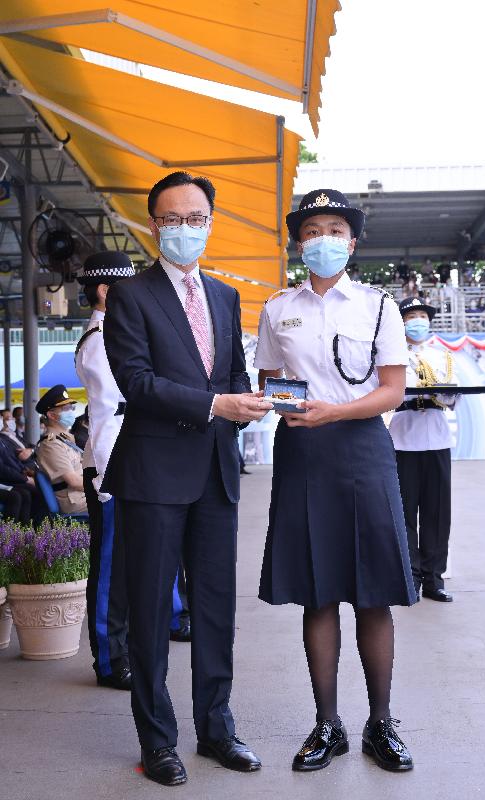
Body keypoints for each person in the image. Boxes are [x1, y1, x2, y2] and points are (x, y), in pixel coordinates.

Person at [102, 171, 271, 786]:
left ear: (210, 221)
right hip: (152, 475)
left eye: (195, 218)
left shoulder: (226, 296)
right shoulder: (131, 296)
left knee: (215, 610)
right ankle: (157, 741)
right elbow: (138, 383)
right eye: (172, 219)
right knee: (149, 614)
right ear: (153, 225)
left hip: (215, 474)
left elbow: (229, 374)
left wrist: (246, 401)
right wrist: (214, 407)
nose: (184, 229)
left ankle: (217, 730)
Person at [255, 188, 416, 774]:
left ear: (352, 241)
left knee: (373, 593)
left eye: (335, 229)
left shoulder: (378, 307)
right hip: (302, 451)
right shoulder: (277, 308)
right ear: (299, 242)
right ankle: (328, 724)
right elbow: (270, 376)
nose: (323, 239)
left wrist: (334, 411)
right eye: (312, 229)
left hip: (362, 449)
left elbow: (392, 389)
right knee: (317, 591)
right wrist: (290, 407)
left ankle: (381, 723)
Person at [75, 252, 136, 691]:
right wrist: (106, 483)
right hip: (109, 463)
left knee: (124, 565)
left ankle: (121, 649)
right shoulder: (100, 339)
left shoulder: (114, 333)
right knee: (111, 566)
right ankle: (109, 659)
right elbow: (111, 412)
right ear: (104, 291)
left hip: (121, 459)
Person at [389, 297, 458, 603]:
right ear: (401, 322)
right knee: (404, 513)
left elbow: (454, 397)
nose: (417, 321)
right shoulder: (392, 356)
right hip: (403, 440)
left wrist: (442, 392)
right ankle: (409, 576)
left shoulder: (442, 357)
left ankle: (434, 578)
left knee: (437, 513)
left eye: (422, 315)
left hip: (437, 440)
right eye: (411, 316)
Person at [35, 386, 87, 515]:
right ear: (51, 415)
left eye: (71, 408)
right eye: (66, 409)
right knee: (122, 501)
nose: (71, 412)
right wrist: (102, 486)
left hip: (83, 494)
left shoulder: (64, 439)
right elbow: (74, 481)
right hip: (75, 500)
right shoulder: (50, 445)